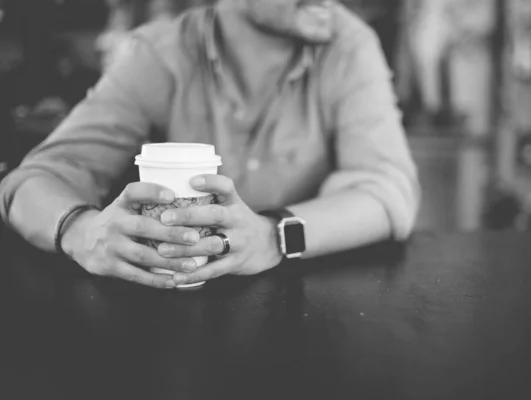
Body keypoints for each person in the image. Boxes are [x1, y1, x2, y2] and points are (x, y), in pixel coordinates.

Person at [0, 0, 420, 289]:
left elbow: (387, 190)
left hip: (305, 320)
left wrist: (273, 236)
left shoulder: (349, 46)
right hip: (167, 322)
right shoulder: (161, 54)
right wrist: (82, 231)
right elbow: (33, 180)